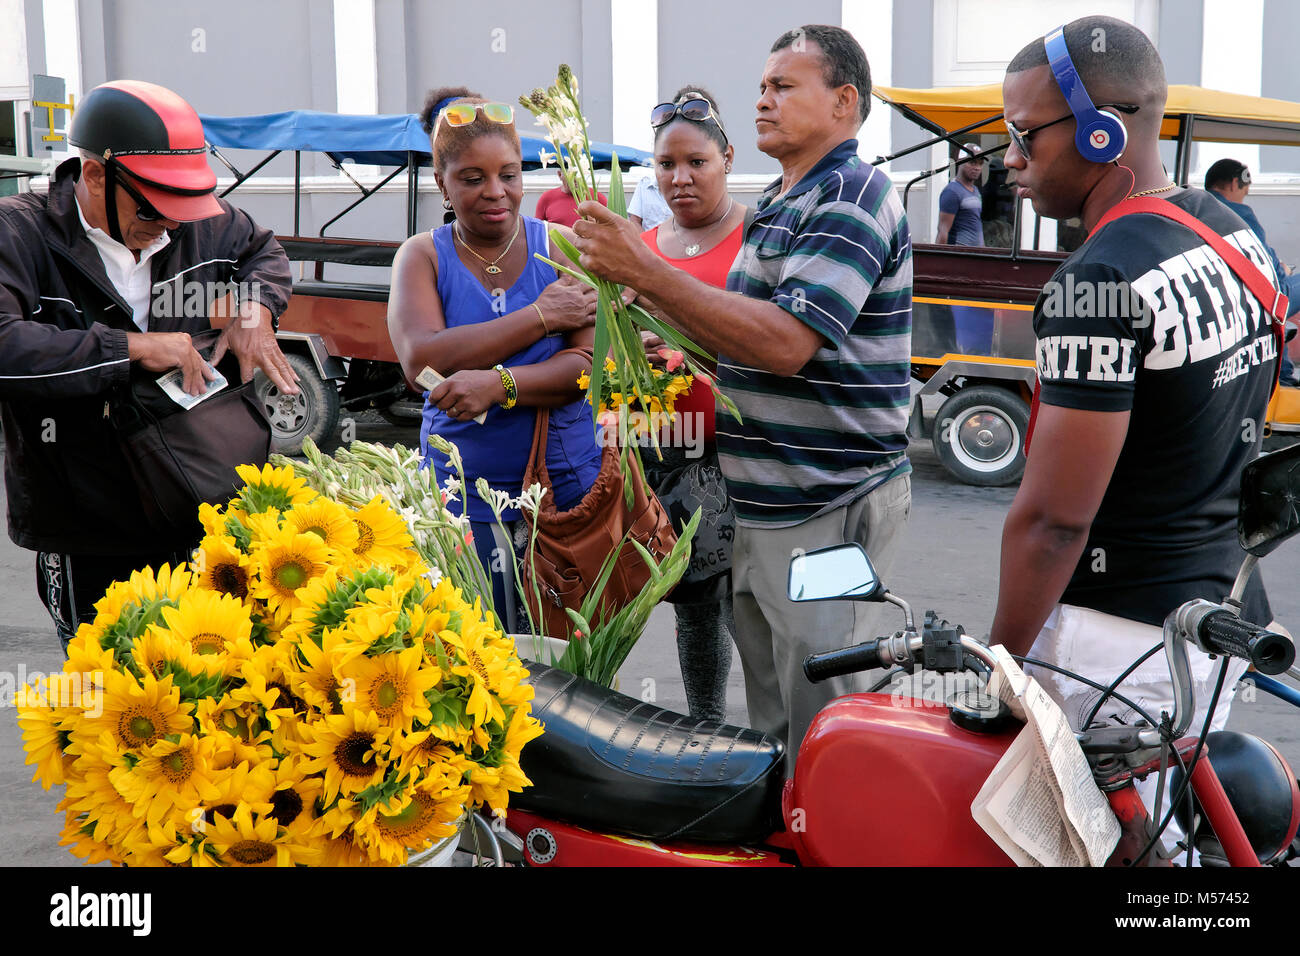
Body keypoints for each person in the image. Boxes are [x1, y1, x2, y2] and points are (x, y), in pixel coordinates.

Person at [570, 24, 912, 765]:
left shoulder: (853, 194)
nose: (761, 100)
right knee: (774, 715)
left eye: (783, 86)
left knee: (824, 711)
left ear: (844, 101)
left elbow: (787, 344)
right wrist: (630, 297)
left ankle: (833, 837)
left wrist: (654, 275)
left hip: (826, 503)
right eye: (761, 86)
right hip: (765, 504)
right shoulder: (789, 198)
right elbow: (738, 347)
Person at [989, 18, 1281, 842]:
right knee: (1179, 855)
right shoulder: (1236, 231)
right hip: (1217, 614)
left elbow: (1055, 520)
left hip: (1113, 643)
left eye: (1022, 134)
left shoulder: (1099, 281)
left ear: (1101, 131)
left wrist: (1000, 668)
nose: (1010, 157)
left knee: (1106, 857)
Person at [0, 79, 296, 652]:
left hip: (197, 502)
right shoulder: (19, 232)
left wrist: (254, 309)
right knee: (106, 695)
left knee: (208, 688)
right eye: (155, 206)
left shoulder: (195, 220)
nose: (171, 224)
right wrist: (132, 348)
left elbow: (265, 251)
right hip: (84, 518)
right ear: (93, 177)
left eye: (183, 207)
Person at [388, 87, 602, 632]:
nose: (496, 192)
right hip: (463, 492)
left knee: (573, 658)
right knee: (479, 656)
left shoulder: (560, 246)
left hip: (563, 491)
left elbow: (585, 367)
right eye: (472, 178)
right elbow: (422, 359)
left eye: (508, 174)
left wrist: (499, 384)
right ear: (442, 183)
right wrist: (540, 316)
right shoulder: (422, 256)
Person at [637, 86, 748, 723]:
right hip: (652, 452)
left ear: (727, 158)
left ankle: (771, 741)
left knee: (739, 609)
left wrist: (688, 349)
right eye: (666, 165)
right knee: (689, 609)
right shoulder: (643, 248)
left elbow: (774, 343)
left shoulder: (758, 240)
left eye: (696, 163)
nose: (680, 178)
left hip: (732, 456)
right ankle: (704, 728)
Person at [1204, 158, 1299, 382]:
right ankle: (1283, 379)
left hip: (1223, 291)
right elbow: (1265, 266)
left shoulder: (1196, 209)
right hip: (1254, 294)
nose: (1244, 195)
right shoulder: (1237, 213)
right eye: (1245, 190)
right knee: (1276, 301)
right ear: (1234, 183)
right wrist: (1283, 269)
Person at [936, 142, 986, 245]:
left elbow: (976, 224)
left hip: (977, 256)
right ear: (960, 161)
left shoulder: (975, 190)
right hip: (961, 256)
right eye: (972, 162)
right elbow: (943, 232)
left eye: (980, 163)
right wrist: (939, 260)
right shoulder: (952, 191)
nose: (977, 167)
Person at [535, 170, 607, 228]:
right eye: (570, 173)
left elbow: (611, 231)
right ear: (560, 174)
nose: (575, 178)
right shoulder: (547, 197)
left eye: (578, 172)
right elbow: (536, 230)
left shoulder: (597, 198)